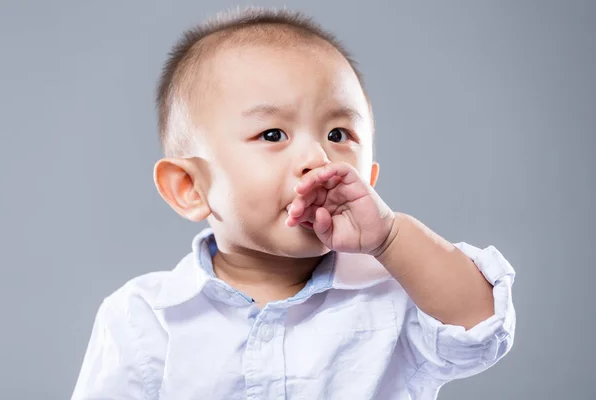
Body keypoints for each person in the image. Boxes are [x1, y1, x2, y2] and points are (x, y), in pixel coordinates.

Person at [72, 7, 516, 400]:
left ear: (370, 181)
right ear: (189, 187)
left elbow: (480, 326)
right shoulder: (144, 318)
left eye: (338, 135)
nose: (317, 159)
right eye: (273, 135)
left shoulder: (396, 292)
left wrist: (391, 236)